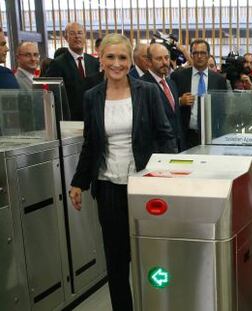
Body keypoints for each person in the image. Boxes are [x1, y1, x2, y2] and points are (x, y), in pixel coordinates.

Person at [69, 33, 176, 311]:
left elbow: (165, 136)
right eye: (110, 57)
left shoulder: (147, 92)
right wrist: (78, 182)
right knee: (116, 262)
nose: (116, 64)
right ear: (101, 60)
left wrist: (168, 177)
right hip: (108, 188)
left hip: (144, 187)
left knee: (151, 254)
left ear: (131, 61)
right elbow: (91, 143)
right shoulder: (91, 96)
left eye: (122, 58)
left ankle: (157, 304)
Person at [170, 39, 227, 148]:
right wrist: (180, 101)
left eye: (203, 53)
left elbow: (223, 110)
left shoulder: (218, 79)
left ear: (209, 55)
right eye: (196, 53)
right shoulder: (178, 77)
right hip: (186, 136)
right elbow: (168, 104)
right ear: (191, 55)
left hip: (211, 135)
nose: (199, 56)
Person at [45, 22, 100, 120]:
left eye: (80, 33)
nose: (77, 36)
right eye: (72, 33)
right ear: (66, 38)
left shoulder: (94, 62)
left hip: (93, 115)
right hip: (70, 119)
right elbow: (53, 95)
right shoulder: (57, 64)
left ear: (84, 36)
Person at [142, 43, 186, 151]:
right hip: (157, 151)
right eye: (159, 59)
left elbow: (175, 117)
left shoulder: (171, 84)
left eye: (166, 58)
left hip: (177, 147)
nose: (165, 62)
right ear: (148, 62)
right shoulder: (142, 86)